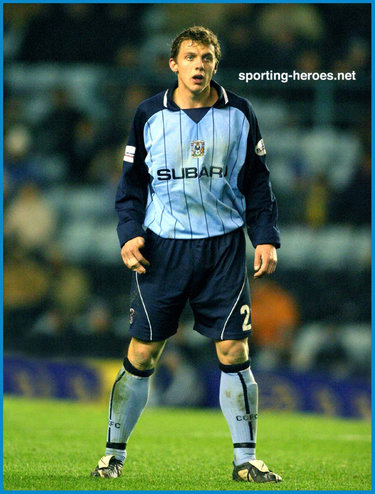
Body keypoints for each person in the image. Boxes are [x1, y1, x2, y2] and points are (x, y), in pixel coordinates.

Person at [91, 26, 282, 483]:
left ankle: (245, 460)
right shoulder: (148, 115)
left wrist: (266, 236)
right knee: (144, 353)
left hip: (222, 248)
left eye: (207, 57)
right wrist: (129, 234)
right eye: (190, 56)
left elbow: (257, 182)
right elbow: (131, 187)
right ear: (173, 64)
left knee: (235, 348)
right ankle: (112, 455)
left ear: (216, 64)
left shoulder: (240, 113)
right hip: (163, 248)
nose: (199, 65)